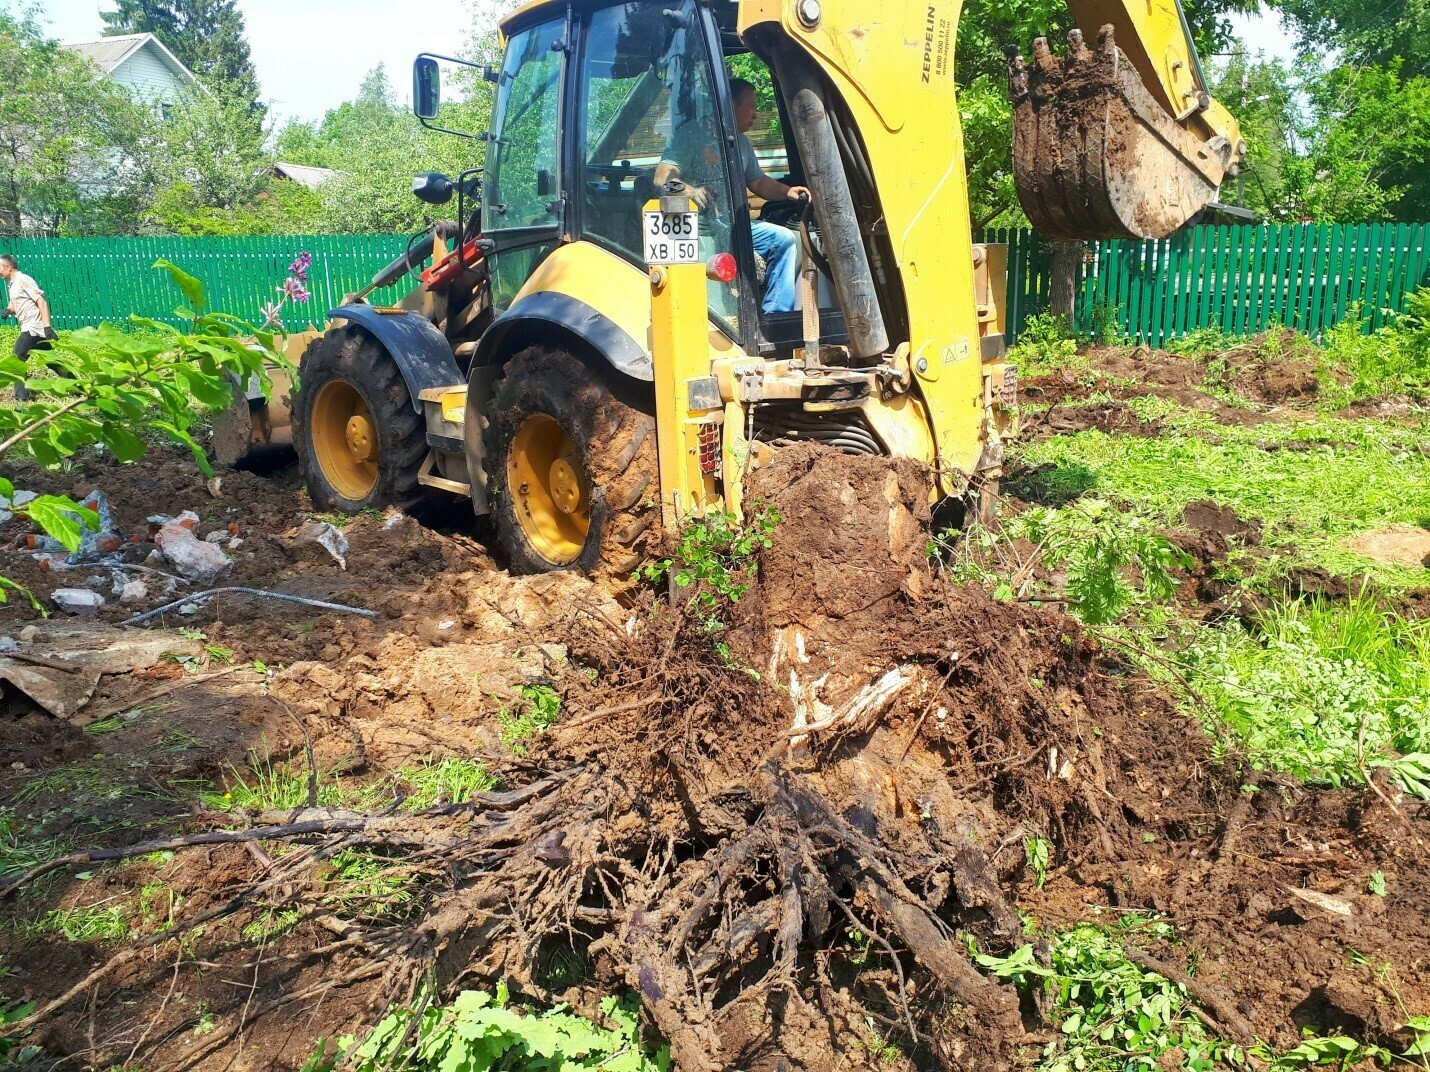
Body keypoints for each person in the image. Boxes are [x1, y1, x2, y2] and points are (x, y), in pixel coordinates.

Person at [656, 77, 811, 315]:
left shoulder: (741, 142)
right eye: (751, 107)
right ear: (730, 106)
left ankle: (776, 314)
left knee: (785, 240)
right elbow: (662, 177)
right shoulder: (691, 136)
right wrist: (689, 191)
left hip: (737, 225)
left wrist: (787, 191)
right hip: (702, 229)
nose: (755, 114)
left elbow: (758, 182)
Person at [0, 254, 57, 402]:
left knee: (16, 360)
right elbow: (18, 305)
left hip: (33, 328)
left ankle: (21, 399)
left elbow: (41, 302)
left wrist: (47, 327)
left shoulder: (23, 279)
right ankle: (81, 389)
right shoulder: (12, 284)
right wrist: (8, 310)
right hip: (31, 328)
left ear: (8, 267)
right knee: (54, 363)